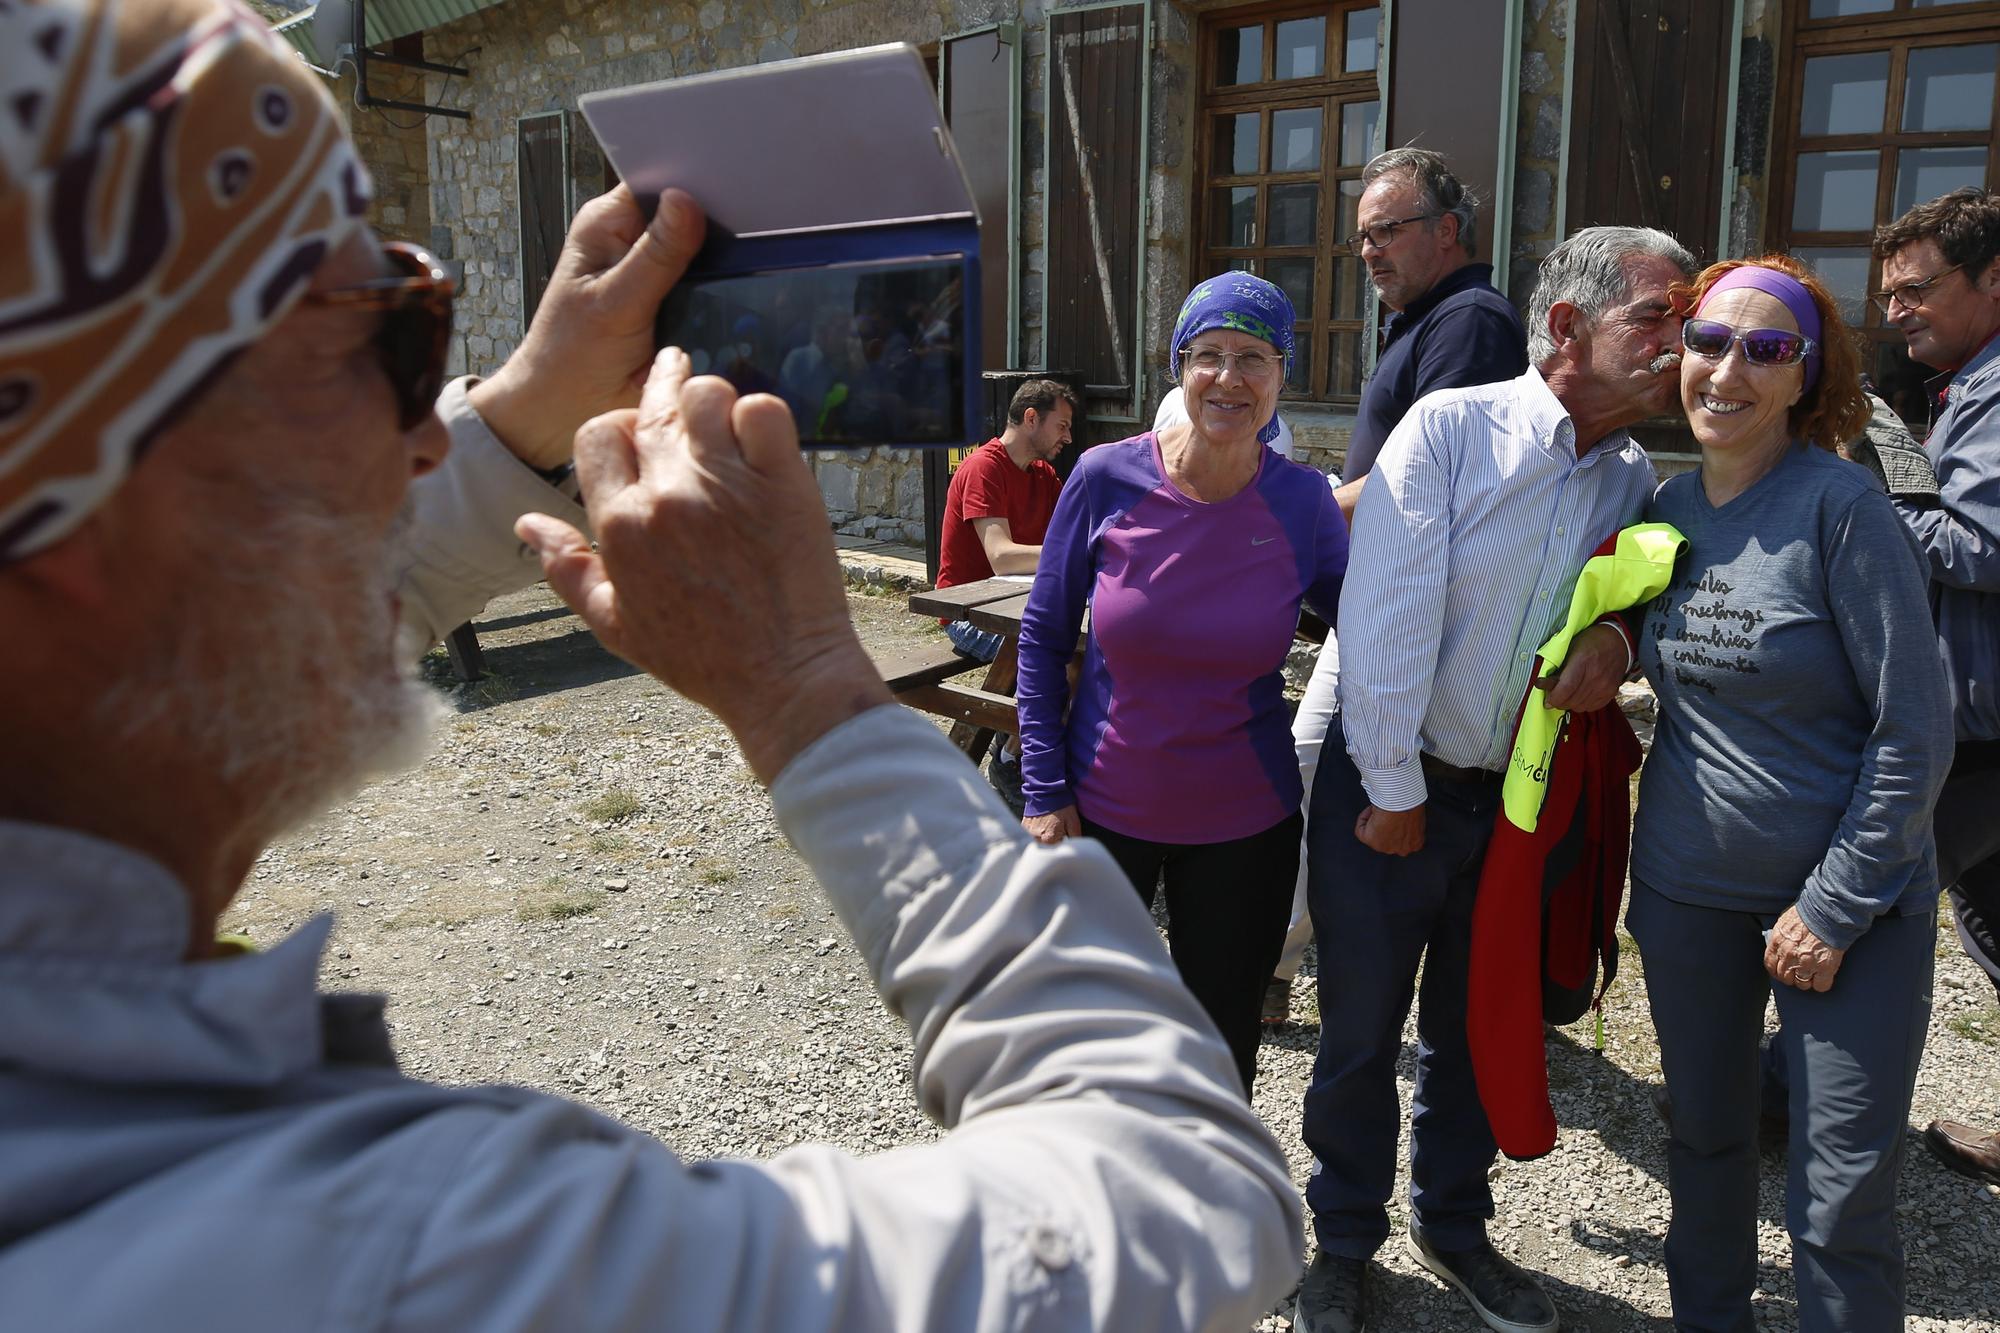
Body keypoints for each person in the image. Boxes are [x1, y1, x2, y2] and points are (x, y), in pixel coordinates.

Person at [0, 4, 1308, 1328]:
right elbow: (1188, 1189)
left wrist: (526, 408)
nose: (419, 443)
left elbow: (255, 585)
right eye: (392, 336)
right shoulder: (406, 1256)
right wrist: (811, 695)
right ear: (77, 503)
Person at [1295, 225, 1695, 1333]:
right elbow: (1379, 622)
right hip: (1390, 785)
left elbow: (1630, 608)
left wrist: (1619, 646)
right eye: (1654, 317)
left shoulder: (1627, 476)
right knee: (1359, 1033)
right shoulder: (1451, 430)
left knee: (1476, 1027)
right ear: (1565, 327)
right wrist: (1387, 790)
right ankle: (1339, 1242)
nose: (1684, 342)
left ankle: (1453, 1225)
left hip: (1513, 805)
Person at [1626, 255, 1952, 1332]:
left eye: (1764, 351)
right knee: (1705, 1145)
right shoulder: (1666, 508)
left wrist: (1834, 902)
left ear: (1804, 380)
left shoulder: (1842, 507)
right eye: (1709, 341)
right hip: (1686, 894)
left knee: (1839, 1194)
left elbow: (1914, 723)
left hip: (1849, 917)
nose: (1726, 369)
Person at [1014, 271, 1348, 1096]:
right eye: (1207, 355)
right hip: (1101, 817)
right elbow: (1044, 638)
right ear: (1179, 365)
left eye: (1253, 357)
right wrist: (1043, 790)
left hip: (1246, 825)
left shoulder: (1304, 502)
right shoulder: (1103, 478)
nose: (1228, 378)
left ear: (1282, 372)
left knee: (1217, 1052)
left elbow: (1371, 632)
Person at [1274, 146, 1531, 1025]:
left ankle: (1324, 969)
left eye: (1387, 231)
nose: (1371, 252)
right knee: (1313, 775)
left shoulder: (1470, 322)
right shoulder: (1431, 318)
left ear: (1448, 230)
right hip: (1375, 605)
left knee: (1320, 775)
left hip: (1406, 613)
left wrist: (1280, 511)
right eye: (1361, 240)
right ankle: (1296, 961)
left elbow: (1419, 487)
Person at [1868, 188, 2000, 1186]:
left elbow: (1978, 542)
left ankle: (1778, 1100)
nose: (1895, 312)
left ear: (1990, 277)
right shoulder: (1968, 382)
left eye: (1915, 290)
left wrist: (1886, 478)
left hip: (1979, 736)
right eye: (1886, 296)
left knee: (1870, 906)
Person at [934, 378, 1077, 812]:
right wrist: (1071, 553)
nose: (1068, 437)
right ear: (1031, 418)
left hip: (1021, 607)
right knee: (1061, 660)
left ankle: (1035, 755)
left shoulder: (1043, 475)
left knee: (1089, 657)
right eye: (1063, 425)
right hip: (969, 614)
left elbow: (1067, 536)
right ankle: (1011, 759)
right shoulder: (983, 467)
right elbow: (1002, 557)